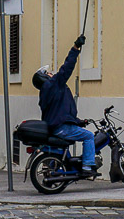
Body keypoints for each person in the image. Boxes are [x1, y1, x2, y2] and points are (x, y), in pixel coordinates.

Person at [32, 34, 97, 177]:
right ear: (44, 78)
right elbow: (67, 67)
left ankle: (57, 166)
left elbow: (60, 112)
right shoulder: (53, 84)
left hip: (56, 127)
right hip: (61, 128)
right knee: (88, 136)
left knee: (81, 134)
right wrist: (76, 47)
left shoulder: (48, 91)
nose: (51, 73)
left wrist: (79, 122)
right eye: (48, 73)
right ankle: (87, 166)